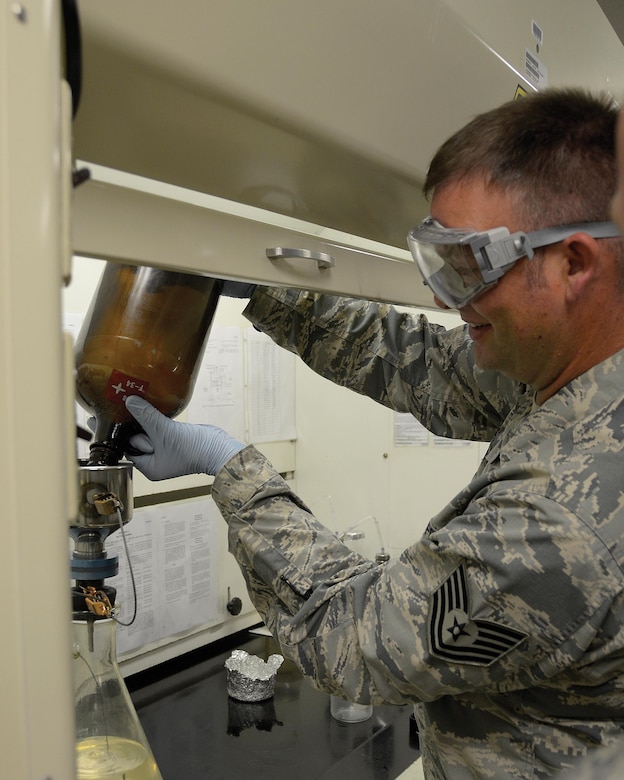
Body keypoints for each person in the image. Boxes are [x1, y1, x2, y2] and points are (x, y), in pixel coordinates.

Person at [123, 89, 624, 779]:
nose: (445, 298)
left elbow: (352, 636)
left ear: (573, 263)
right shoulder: (580, 380)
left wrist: (229, 466)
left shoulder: (565, 520)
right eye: (436, 262)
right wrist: (267, 284)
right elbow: (418, 365)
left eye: (469, 265)